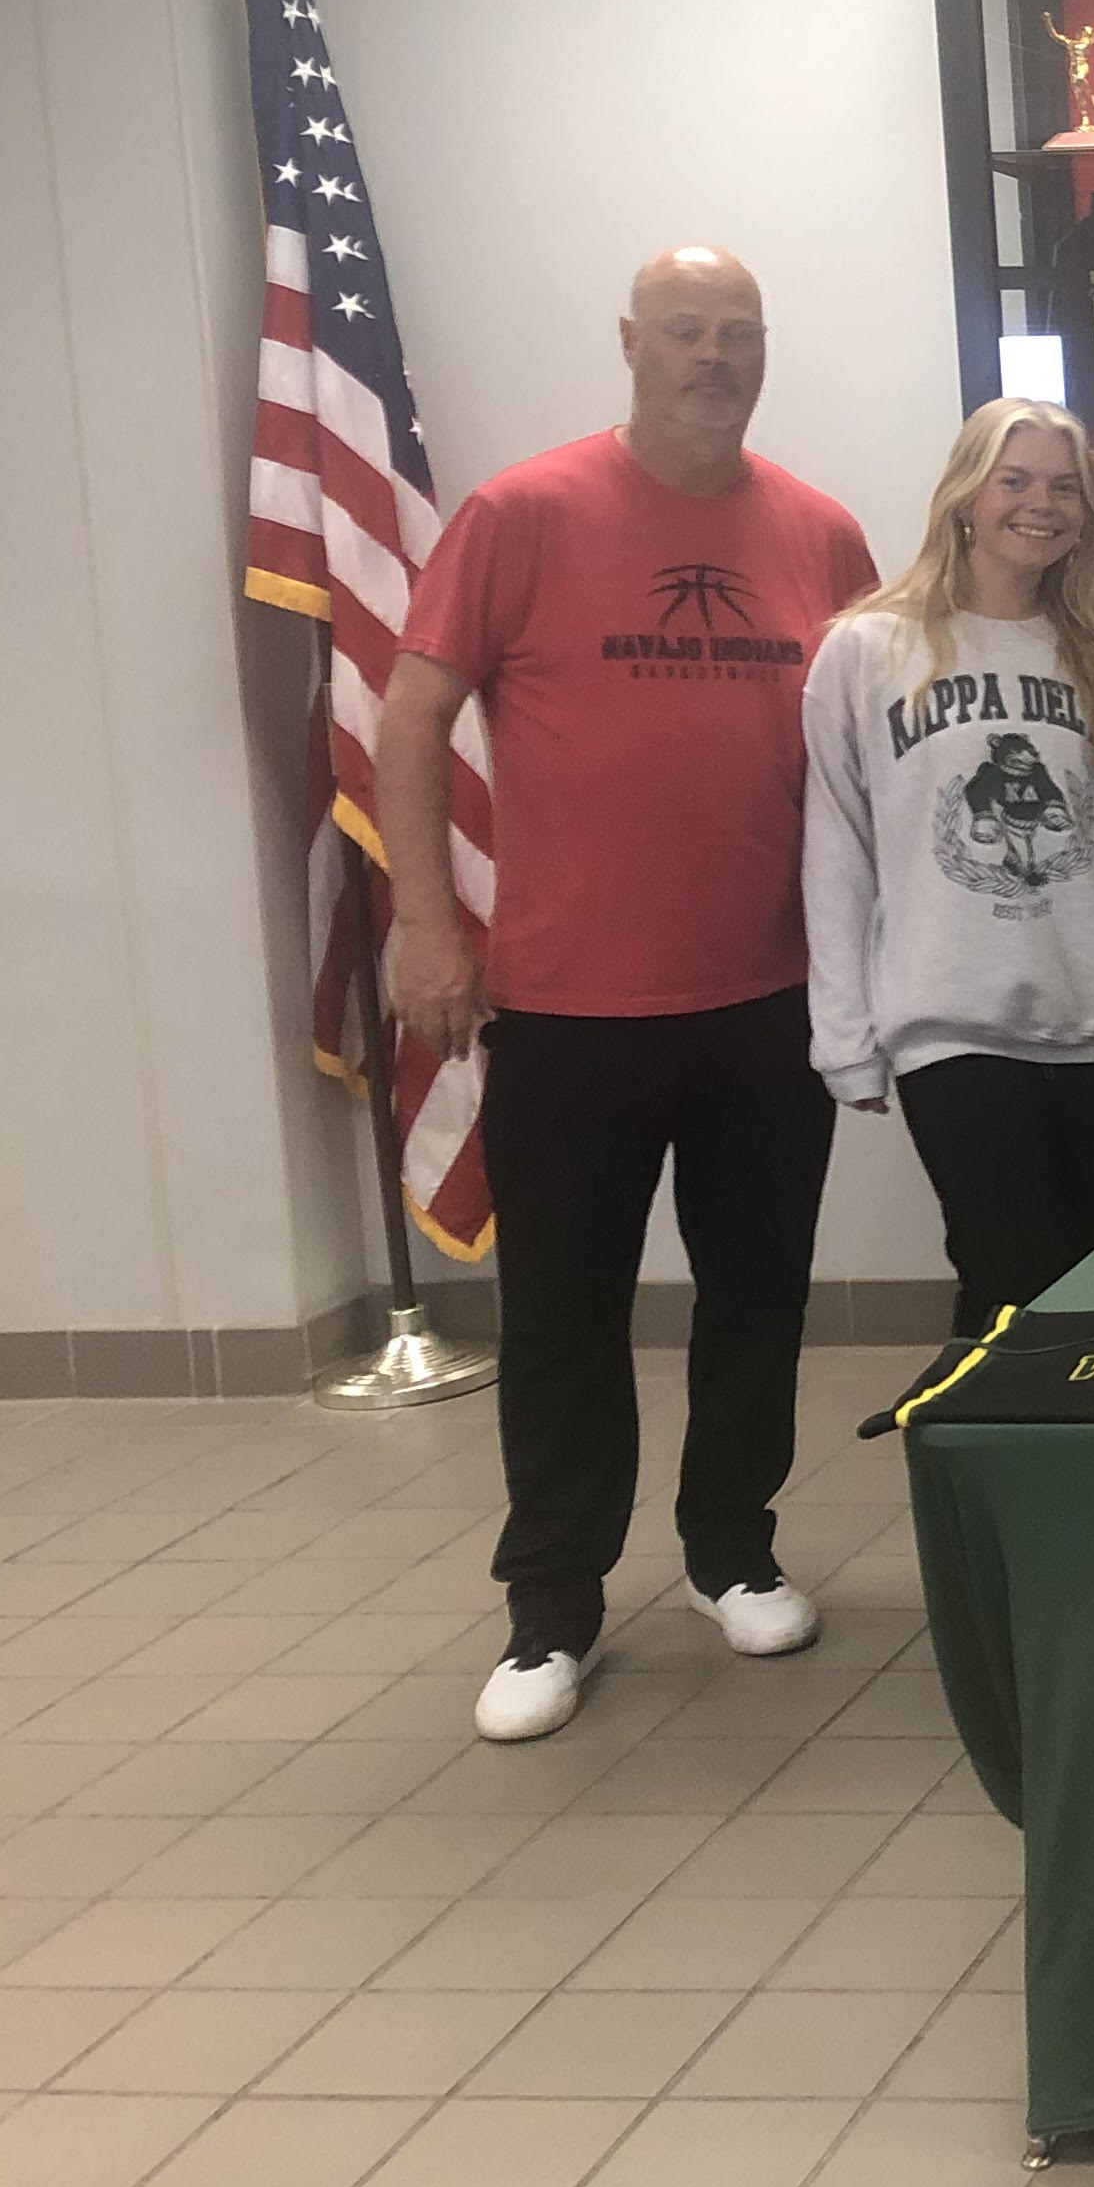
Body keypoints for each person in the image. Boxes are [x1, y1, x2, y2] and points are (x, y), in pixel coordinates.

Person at [379, 247, 877, 1744]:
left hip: (765, 1000)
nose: (713, 357)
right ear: (630, 344)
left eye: (738, 334)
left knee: (757, 1297)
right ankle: (552, 1608)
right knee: (563, 1319)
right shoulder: (520, 514)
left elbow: (872, 754)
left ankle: (733, 1549)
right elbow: (411, 719)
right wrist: (424, 922)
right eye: (685, 332)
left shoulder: (823, 533)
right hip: (568, 1005)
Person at [805, 399, 1094, 1337]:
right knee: (1009, 1274)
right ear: (965, 494)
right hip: (952, 1018)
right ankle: (992, 1473)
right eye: (1016, 480)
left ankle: (1059, 1475)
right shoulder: (869, 647)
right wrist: (843, 1034)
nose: (1040, 504)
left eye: (1064, 486)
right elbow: (837, 842)